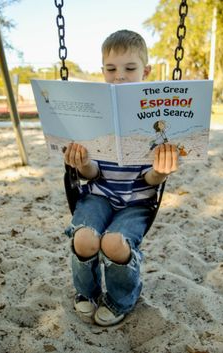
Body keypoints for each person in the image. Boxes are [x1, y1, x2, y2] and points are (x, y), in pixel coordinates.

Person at [64, 29, 178, 326]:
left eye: (130, 69)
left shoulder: (154, 119)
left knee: (114, 244)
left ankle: (120, 299)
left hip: (136, 203)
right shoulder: (95, 116)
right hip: (98, 195)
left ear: (146, 71)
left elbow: (150, 180)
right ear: (102, 71)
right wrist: (83, 162)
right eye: (111, 69)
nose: (120, 76)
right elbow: (92, 173)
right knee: (85, 238)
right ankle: (86, 293)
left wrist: (160, 171)